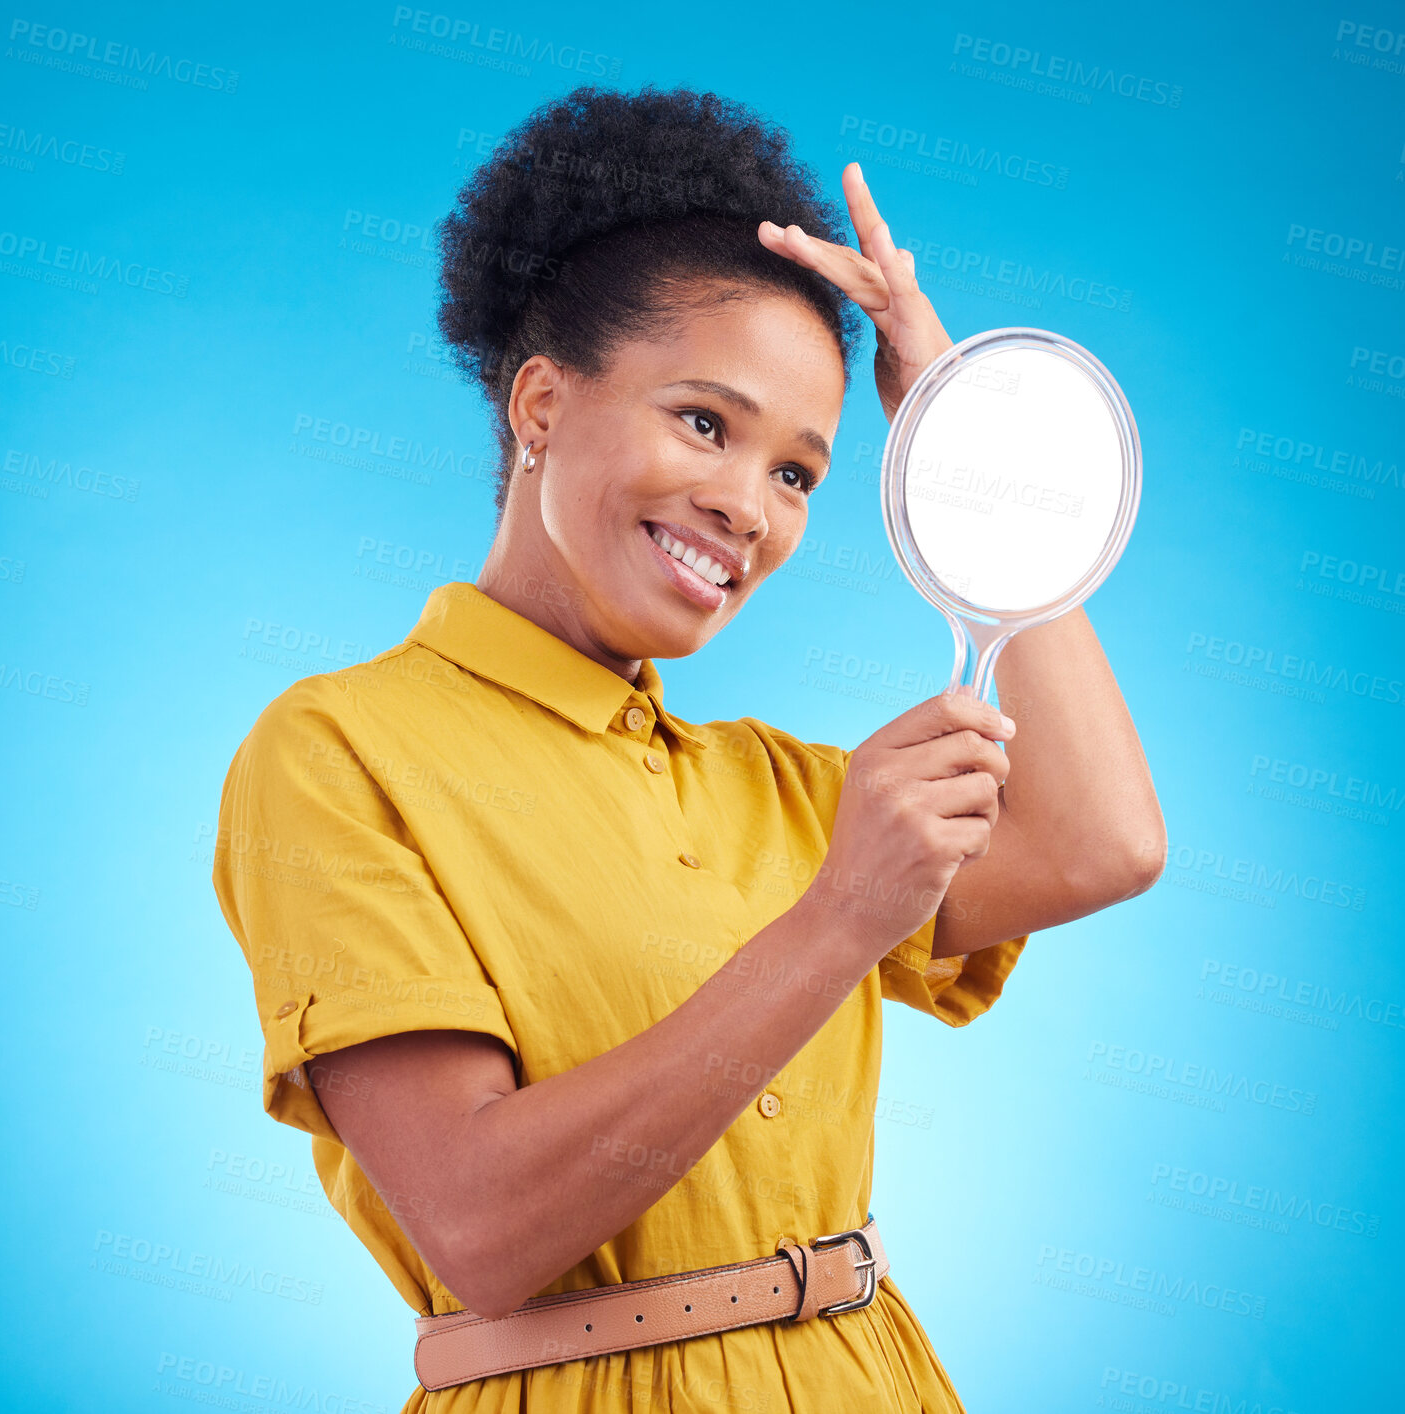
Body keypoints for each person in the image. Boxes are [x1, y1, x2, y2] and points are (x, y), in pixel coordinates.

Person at [212, 84, 1166, 1413]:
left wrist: (942, 404)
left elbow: (1102, 840)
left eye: (798, 474)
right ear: (539, 404)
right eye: (705, 422)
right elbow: (482, 1228)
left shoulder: (772, 785)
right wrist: (840, 915)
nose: (745, 507)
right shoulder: (338, 752)